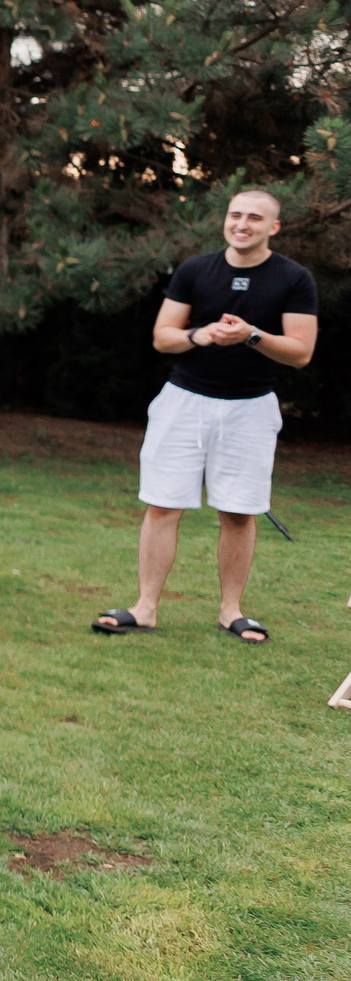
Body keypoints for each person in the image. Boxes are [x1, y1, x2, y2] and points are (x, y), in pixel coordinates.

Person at [93, 188, 318, 644]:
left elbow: (300, 352)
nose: (242, 224)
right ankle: (145, 608)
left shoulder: (294, 278)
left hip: (251, 408)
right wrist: (202, 335)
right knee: (162, 504)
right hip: (184, 402)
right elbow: (163, 337)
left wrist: (252, 335)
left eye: (255, 218)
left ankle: (231, 611)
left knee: (238, 512)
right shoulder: (196, 270)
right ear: (226, 221)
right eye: (235, 215)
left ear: (273, 227)